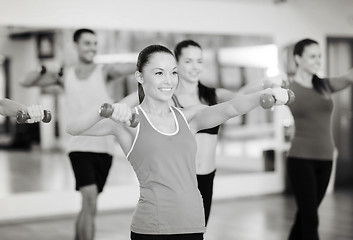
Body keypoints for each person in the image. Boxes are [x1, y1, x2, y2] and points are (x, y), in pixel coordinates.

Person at [66, 44, 290, 240]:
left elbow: (231, 107)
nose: (169, 81)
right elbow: (73, 128)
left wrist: (268, 93)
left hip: (193, 222)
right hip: (152, 227)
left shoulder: (189, 117)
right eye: (159, 73)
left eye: (173, 73)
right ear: (140, 77)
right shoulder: (128, 122)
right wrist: (105, 110)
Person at [21, 28, 136, 240]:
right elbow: (26, 81)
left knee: (89, 205)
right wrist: (45, 67)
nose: (92, 48)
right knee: (90, 198)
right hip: (78, 145)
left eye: (94, 43)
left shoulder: (105, 71)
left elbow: (130, 68)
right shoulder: (65, 75)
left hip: (104, 148)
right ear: (76, 46)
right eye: (87, 43)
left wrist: (154, 64)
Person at [171, 39, 287, 225]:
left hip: (207, 176)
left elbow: (239, 99)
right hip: (179, 178)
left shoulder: (212, 95)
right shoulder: (170, 98)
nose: (195, 67)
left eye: (199, 61)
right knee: (176, 231)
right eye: (188, 61)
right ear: (176, 63)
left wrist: (267, 84)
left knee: (198, 230)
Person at [286, 38, 353, 240]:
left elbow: (349, 78)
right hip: (301, 159)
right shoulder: (289, 89)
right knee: (311, 219)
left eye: (320, 56)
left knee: (305, 216)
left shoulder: (323, 85)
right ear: (298, 59)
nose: (318, 60)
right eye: (312, 56)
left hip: (326, 158)